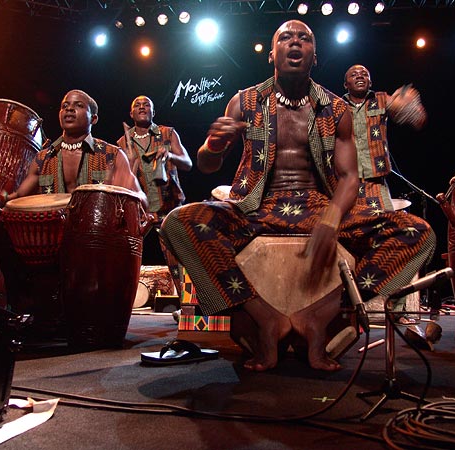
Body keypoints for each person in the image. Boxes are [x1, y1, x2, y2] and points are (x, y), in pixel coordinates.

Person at [160, 20, 436, 372]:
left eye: (304, 38)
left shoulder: (336, 110)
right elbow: (207, 164)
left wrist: (332, 218)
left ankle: (326, 312)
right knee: (178, 223)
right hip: (254, 208)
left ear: (315, 56)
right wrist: (214, 145)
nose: (294, 42)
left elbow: (351, 177)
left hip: (317, 206)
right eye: (285, 37)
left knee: (418, 233)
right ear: (271, 53)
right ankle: (262, 316)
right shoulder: (243, 101)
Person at [6, 89, 147, 208]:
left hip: (97, 236)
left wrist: (119, 196)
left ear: (94, 118)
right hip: (53, 237)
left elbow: (141, 198)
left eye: (79, 105)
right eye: (64, 106)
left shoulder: (112, 155)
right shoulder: (42, 159)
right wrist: (1, 198)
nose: (69, 109)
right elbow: (18, 197)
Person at [117, 95, 192, 291]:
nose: (142, 107)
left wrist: (170, 155)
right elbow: (123, 180)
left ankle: (188, 307)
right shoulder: (123, 142)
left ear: (153, 112)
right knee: (126, 256)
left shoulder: (167, 133)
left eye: (146, 105)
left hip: (168, 207)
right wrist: (130, 163)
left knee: (179, 260)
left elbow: (188, 163)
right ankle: (121, 303)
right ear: (131, 113)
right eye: (137, 105)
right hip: (139, 210)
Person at [343, 64, 427, 211]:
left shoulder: (381, 99)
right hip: (346, 183)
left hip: (376, 183)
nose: (360, 75)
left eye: (364, 74)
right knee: (349, 230)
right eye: (354, 74)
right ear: (345, 84)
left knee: (385, 228)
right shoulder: (338, 106)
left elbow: (415, 118)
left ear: (370, 82)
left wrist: (408, 105)